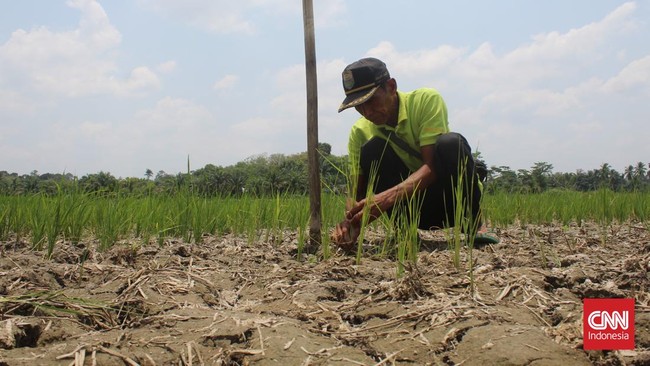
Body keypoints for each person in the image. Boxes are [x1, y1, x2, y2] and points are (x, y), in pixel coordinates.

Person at [332, 57, 493, 246]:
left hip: (451, 203)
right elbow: (356, 191)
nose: (367, 112)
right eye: (358, 106)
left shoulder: (426, 101)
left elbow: (432, 167)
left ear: (391, 87)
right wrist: (351, 222)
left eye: (372, 101)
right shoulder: (360, 131)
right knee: (371, 149)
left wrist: (385, 198)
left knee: (451, 143)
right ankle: (404, 230)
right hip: (414, 209)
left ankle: (474, 225)